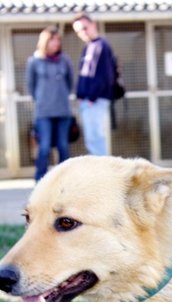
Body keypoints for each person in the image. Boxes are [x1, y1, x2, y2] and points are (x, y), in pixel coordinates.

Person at [26, 26, 74, 182]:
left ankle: (65, 181)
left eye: (58, 40)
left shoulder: (65, 60)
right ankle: (40, 180)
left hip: (63, 111)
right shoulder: (34, 61)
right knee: (44, 146)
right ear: (45, 41)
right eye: (52, 40)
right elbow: (31, 86)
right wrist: (42, 99)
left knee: (63, 146)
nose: (56, 43)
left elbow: (70, 83)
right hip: (43, 112)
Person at [72, 13, 115, 156]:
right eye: (78, 31)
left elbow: (104, 76)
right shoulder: (88, 47)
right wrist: (80, 96)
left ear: (93, 24)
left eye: (85, 28)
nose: (82, 32)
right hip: (87, 101)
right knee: (91, 139)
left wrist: (91, 98)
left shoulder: (101, 46)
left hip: (95, 101)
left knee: (95, 139)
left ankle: (105, 175)